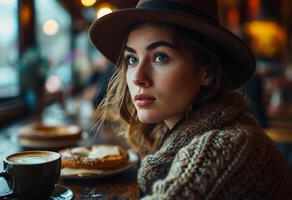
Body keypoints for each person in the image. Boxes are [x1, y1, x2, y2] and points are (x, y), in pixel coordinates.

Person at [89, 0, 292, 199]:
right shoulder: (165, 136)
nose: (137, 77)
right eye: (132, 59)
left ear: (207, 72)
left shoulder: (230, 147)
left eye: (160, 57)